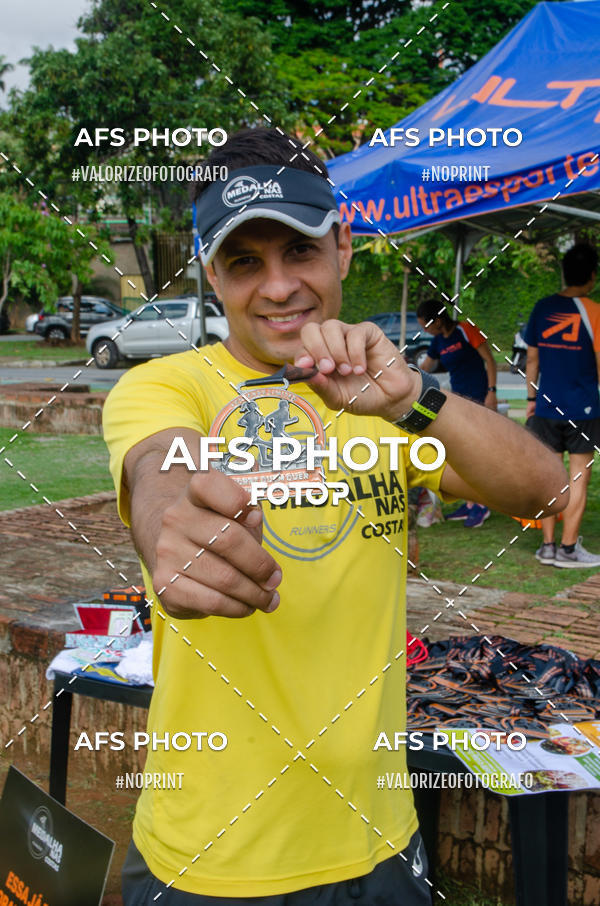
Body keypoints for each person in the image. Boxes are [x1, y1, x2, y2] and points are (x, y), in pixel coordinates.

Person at [102, 127, 567, 905]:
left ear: (343, 247)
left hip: (378, 841)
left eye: (300, 250)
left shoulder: (391, 402)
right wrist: (166, 521)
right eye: (245, 262)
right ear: (213, 276)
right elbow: (159, 469)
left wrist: (415, 398)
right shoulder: (166, 386)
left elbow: (544, 492)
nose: (279, 286)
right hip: (208, 854)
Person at [524, 241, 600, 568]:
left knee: (551, 477)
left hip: (546, 407)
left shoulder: (542, 307)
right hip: (584, 409)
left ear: (565, 273)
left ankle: (548, 547)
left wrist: (531, 399)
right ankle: (568, 550)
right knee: (578, 477)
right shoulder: (594, 312)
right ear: (592, 276)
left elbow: (532, 359)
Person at [416, 299, 498, 528]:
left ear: (437, 320)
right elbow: (426, 367)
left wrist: (492, 392)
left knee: (479, 451)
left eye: (425, 325)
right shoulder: (437, 341)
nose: (424, 331)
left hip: (480, 397)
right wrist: (405, 370)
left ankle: (482, 505)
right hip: (459, 401)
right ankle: (470, 503)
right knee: (465, 452)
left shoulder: (466, 329)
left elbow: (490, 360)